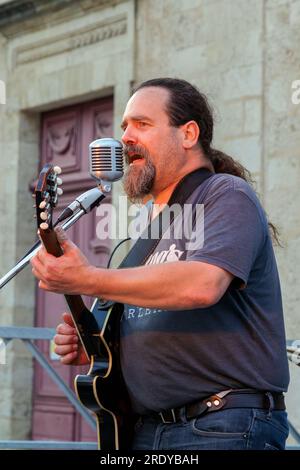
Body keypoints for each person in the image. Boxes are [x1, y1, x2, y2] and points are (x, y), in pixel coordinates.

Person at [31, 78, 290, 450]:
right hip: (148, 430)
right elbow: (153, 320)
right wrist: (101, 349)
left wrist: (87, 278)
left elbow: (202, 285)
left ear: (188, 134)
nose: (126, 137)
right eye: (124, 127)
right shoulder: (142, 228)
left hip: (221, 426)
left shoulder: (226, 195)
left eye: (142, 124)